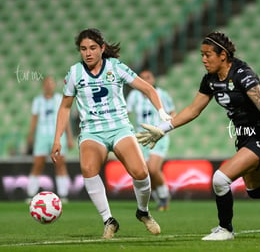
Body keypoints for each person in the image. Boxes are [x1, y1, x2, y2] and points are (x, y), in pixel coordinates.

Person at [136, 31, 260, 241]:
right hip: (245, 136)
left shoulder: (242, 73)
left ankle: (225, 229)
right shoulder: (210, 79)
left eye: (208, 54)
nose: (203, 59)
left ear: (223, 55)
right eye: (202, 54)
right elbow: (193, 109)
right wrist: (163, 128)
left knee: (220, 179)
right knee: (255, 190)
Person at [51, 28, 171, 239]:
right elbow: (65, 107)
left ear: (102, 48)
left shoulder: (115, 67)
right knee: (88, 168)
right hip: (92, 131)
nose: (88, 53)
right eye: (83, 49)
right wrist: (57, 138)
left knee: (141, 172)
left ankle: (143, 211)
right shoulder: (74, 73)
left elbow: (148, 89)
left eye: (92, 48)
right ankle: (109, 220)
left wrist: (162, 112)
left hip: (119, 128)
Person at [127, 69, 176, 211]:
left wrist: (168, 125)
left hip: (159, 136)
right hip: (142, 138)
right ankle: (159, 197)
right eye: (141, 78)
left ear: (153, 79)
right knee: (146, 171)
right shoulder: (134, 95)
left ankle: (164, 195)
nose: (145, 80)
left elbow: (172, 112)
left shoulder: (162, 94)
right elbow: (126, 112)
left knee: (153, 169)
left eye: (148, 77)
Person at [26, 76, 74, 202]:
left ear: (54, 86)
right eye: (47, 83)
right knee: (38, 164)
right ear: (43, 86)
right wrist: (31, 135)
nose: (49, 86)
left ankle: (63, 195)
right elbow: (34, 119)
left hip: (57, 135)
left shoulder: (59, 99)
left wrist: (69, 137)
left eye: (51, 83)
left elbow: (65, 120)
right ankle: (31, 194)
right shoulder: (37, 101)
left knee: (60, 163)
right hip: (41, 136)